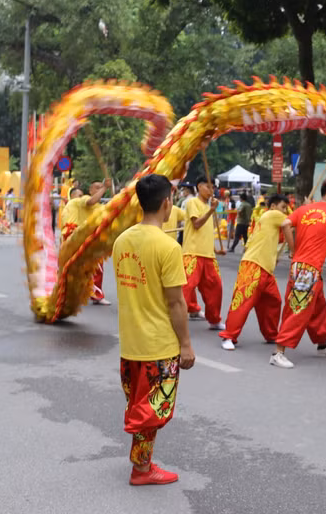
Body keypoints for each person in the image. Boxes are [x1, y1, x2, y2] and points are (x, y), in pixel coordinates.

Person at [112, 174, 194, 485]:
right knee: (152, 410)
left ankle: (141, 462)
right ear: (166, 203)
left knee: (142, 406)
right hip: (158, 345)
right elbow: (176, 304)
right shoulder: (168, 246)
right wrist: (186, 344)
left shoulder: (122, 241)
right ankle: (142, 470)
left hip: (130, 344)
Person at [270, 178, 326, 369]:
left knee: (318, 307)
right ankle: (278, 352)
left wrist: (293, 249)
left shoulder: (305, 209)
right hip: (309, 268)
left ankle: (322, 344)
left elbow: (286, 224)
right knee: (298, 309)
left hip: (303, 266)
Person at [220, 194, 290, 350]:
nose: (285, 211)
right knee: (243, 302)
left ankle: (271, 334)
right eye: (283, 207)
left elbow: (281, 235)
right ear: (273, 206)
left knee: (273, 301)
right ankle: (228, 336)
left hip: (265, 268)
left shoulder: (267, 221)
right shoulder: (272, 215)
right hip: (254, 266)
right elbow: (289, 224)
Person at [182, 176, 226, 328]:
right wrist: (211, 211)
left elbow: (206, 233)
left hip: (208, 256)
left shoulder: (209, 207)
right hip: (192, 253)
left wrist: (216, 250)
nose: (211, 190)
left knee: (215, 288)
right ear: (199, 186)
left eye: (213, 187)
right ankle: (175, 320)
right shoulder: (192, 202)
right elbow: (196, 224)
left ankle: (214, 320)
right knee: (185, 288)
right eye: (208, 186)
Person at [62, 180, 111, 305]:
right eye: (97, 187)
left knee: (84, 267)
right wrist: (105, 187)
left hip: (82, 237)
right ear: (90, 190)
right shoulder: (80, 200)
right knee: (92, 265)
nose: (100, 190)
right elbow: (90, 201)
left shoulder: (98, 207)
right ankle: (91, 294)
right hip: (75, 235)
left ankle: (75, 293)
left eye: (101, 187)